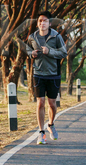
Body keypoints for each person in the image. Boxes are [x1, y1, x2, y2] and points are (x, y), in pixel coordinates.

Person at [27, 11, 67, 144]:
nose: (42, 23)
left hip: (53, 74)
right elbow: (27, 49)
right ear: (37, 23)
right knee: (40, 103)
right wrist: (30, 53)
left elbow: (63, 53)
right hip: (38, 74)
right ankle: (41, 132)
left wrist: (49, 52)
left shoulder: (56, 37)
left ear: (49, 23)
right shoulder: (32, 37)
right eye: (40, 21)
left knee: (52, 103)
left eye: (44, 21)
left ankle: (51, 124)